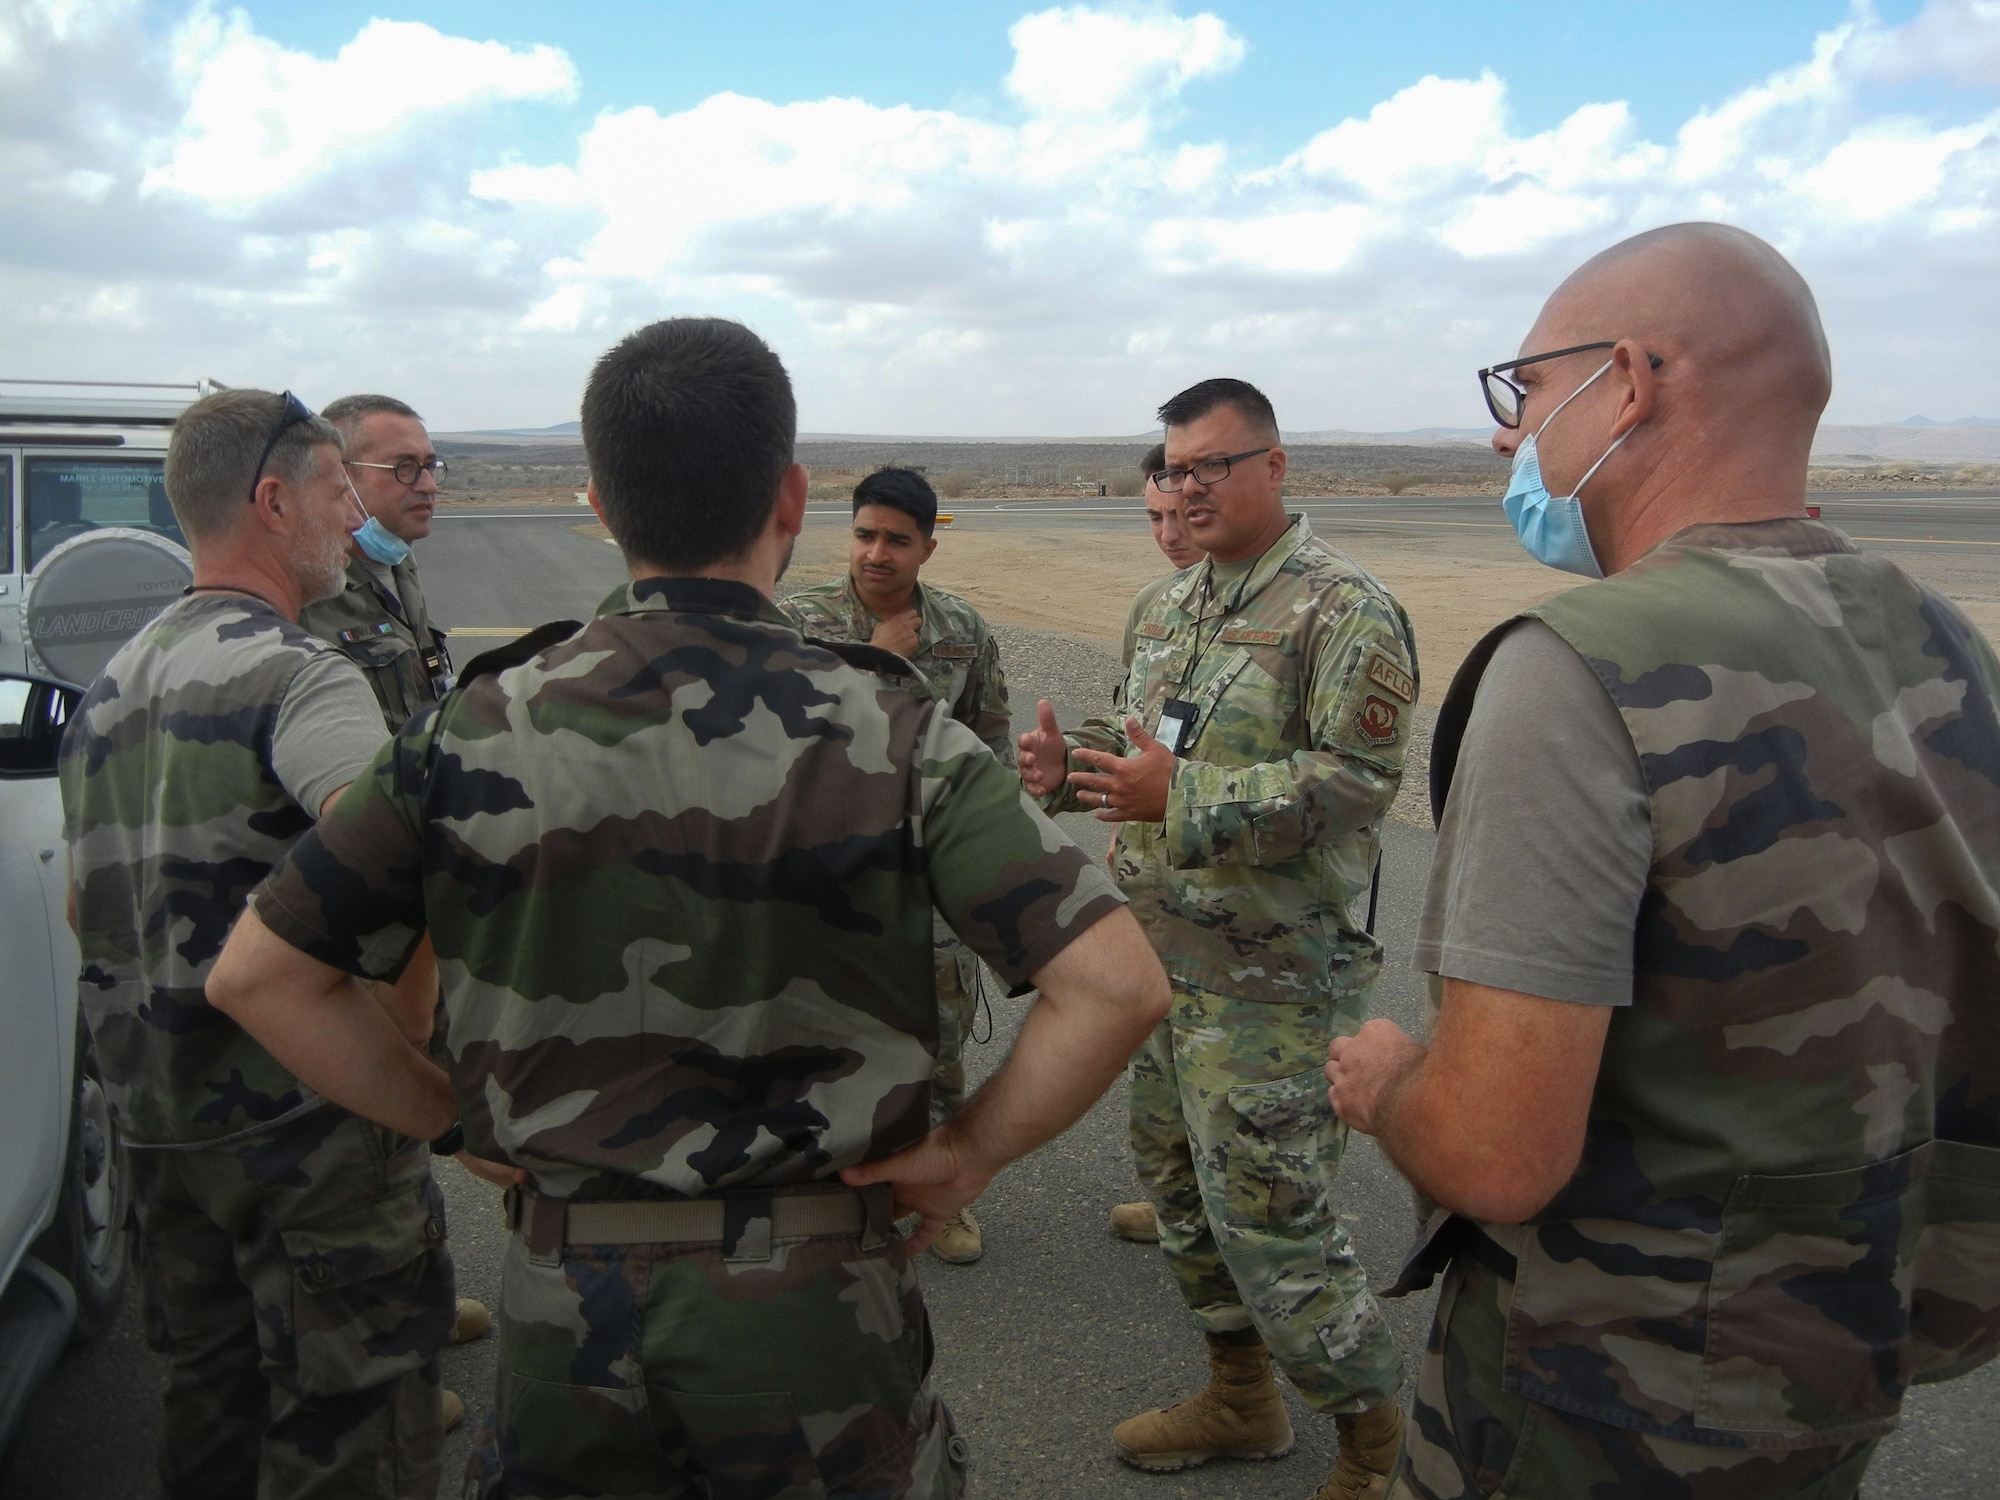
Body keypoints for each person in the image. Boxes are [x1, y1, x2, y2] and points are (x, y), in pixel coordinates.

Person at [204, 317, 1172, 1499]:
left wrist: (453, 1121)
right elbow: (1116, 986)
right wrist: (963, 1155)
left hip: (566, 1311)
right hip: (819, 1312)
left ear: (601, 506)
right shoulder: (893, 729)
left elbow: (258, 976)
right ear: (790, 500)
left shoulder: (475, 725)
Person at [1326, 222, 2000, 1500]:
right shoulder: (1939, 637)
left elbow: (1495, 1155)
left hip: (1603, 1393)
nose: (1504, 434)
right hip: (1840, 1350)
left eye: (1523, 389)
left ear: (1627, 381)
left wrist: (1390, 1083)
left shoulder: (1574, 668)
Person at [1019, 379, 1418, 1498]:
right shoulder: (1169, 607)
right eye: (1174, 467)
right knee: (1183, 1197)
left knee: (1272, 1221)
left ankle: (1374, 1446)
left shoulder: (1341, 610)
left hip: (1273, 984)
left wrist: (1180, 795)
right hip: (1161, 968)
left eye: (1211, 466)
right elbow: (1141, 743)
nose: (1185, 487)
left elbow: (1357, 781)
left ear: (1275, 466)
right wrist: (1073, 769)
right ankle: (1241, 1399)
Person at [59, 388, 460, 1498]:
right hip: (305, 1144)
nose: (348, 516)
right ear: (273, 501)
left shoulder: (109, 689)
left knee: (209, 1419)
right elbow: (391, 850)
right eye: (338, 489)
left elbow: (81, 909)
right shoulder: (297, 675)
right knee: (357, 1434)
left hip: (158, 1132)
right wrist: (407, 1052)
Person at [782, 466, 1013, 1265]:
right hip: (827, 878)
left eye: (896, 540)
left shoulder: (962, 631)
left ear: (927, 548)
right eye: (864, 534)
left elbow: (992, 749)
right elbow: (772, 752)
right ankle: (826, 1188)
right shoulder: (795, 623)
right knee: (828, 1038)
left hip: (929, 878)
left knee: (941, 1037)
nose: (876, 553)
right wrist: (872, 662)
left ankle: (942, 1194)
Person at [1108, 441, 1201, 1247]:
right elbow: (1137, 732)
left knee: (1246, 1109)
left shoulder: (1314, 609)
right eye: (1153, 517)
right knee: (1161, 1080)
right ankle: (1182, 1208)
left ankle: (1224, 1209)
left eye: (1179, 515)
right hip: (1155, 894)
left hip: (1248, 919)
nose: (1168, 533)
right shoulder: (1155, 609)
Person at [299, 394, 453, 731]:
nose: (428, 486)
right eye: (405, 468)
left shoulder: (400, 561)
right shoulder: (307, 591)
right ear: (341, 475)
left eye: (429, 466)